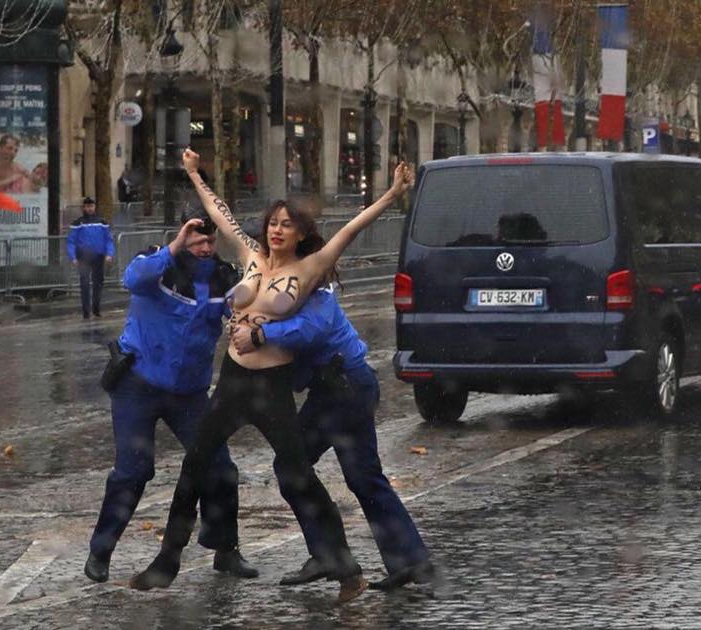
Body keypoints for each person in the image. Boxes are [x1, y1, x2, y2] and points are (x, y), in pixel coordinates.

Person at [128, 148, 413, 603]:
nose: (277, 230)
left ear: (301, 234)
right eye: (273, 223)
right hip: (232, 381)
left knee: (298, 474)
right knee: (193, 465)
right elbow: (218, 212)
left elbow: (352, 227)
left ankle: (345, 568)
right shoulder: (250, 255)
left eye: (287, 225)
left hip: (272, 386)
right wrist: (194, 173)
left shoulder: (311, 268)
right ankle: (167, 561)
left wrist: (393, 194)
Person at [230, 284, 439, 591]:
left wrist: (260, 335)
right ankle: (410, 559)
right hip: (347, 386)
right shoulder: (279, 285)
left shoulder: (311, 282)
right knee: (364, 477)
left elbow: (310, 328)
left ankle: (327, 554)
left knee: (291, 466)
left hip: (341, 389)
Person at [85, 210, 253, 583]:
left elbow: (247, 305)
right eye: (197, 238)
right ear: (181, 234)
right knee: (133, 471)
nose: (205, 246)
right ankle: (101, 551)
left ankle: (226, 550)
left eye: (210, 240)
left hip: (189, 394)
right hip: (138, 385)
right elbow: (132, 278)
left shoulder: (223, 277)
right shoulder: (156, 263)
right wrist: (176, 245)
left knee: (220, 468)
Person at [67, 197, 115, 319]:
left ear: (94, 207)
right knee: (84, 283)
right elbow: (71, 241)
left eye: (91, 206)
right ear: (83, 208)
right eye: (87, 206)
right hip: (83, 257)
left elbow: (108, 240)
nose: (89, 209)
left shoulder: (102, 222)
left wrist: (109, 253)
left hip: (98, 256)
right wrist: (73, 257)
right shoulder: (78, 223)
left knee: (98, 283)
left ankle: (96, 308)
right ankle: (86, 312)